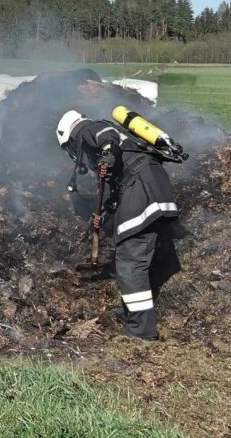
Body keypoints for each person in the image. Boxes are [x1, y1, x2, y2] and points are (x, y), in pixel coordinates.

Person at [56, 108, 178, 340]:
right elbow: (115, 190)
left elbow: (105, 134)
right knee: (135, 254)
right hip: (152, 186)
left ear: (67, 137)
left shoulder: (83, 129)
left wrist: (108, 153)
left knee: (130, 261)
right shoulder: (111, 140)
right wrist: (102, 215)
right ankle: (133, 313)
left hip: (142, 189)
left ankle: (141, 331)